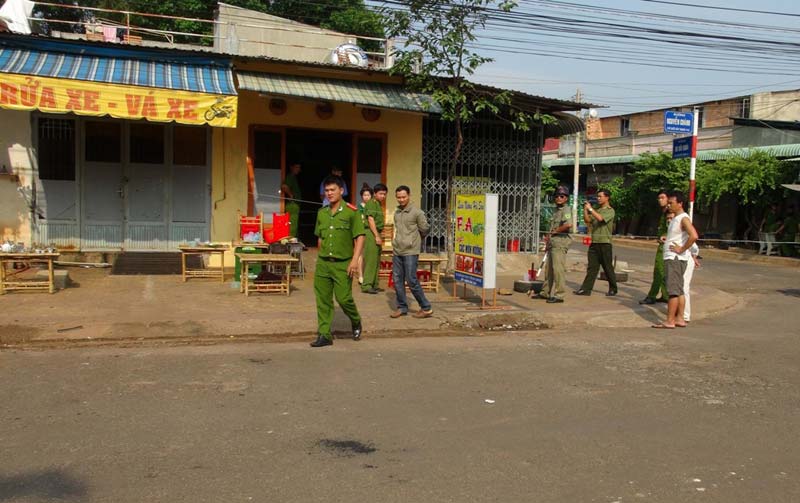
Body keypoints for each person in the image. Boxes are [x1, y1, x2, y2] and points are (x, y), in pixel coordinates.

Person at [310, 175, 365, 347]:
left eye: (333, 190)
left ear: (341, 191)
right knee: (323, 300)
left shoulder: (352, 212)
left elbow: (360, 237)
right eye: (326, 190)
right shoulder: (322, 213)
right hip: (324, 263)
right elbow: (319, 239)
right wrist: (319, 259)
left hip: (343, 263)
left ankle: (355, 320)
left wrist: (355, 260)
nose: (329, 193)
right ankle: (325, 334)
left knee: (343, 298)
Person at [652, 192, 698, 329]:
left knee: (673, 291)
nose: (669, 205)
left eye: (672, 203)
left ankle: (670, 320)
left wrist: (682, 249)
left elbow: (694, 236)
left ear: (680, 204)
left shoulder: (683, 218)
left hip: (675, 258)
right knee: (679, 290)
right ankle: (679, 318)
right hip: (675, 257)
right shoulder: (676, 218)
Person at [390, 185, 433, 318]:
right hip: (397, 250)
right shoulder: (397, 212)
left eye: (404, 197)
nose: (401, 199)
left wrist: (414, 240)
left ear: (409, 196)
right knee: (397, 280)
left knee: (411, 279)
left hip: (410, 251)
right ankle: (402, 307)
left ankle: (426, 307)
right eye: (399, 197)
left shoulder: (417, 212)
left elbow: (425, 229)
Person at [574, 189, 618, 297]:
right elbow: (588, 221)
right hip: (595, 242)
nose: (598, 198)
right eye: (597, 196)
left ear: (607, 197)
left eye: (600, 196)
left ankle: (613, 288)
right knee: (592, 267)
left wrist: (590, 208)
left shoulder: (610, 210)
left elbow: (601, 219)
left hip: (605, 243)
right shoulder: (598, 210)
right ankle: (586, 289)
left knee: (607, 267)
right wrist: (585, 210)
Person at [538, 185, 572, 303]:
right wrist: (548, 239)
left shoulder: (566, 210)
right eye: (557, 196)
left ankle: (559, 295)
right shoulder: (556, 210)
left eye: (561, 196)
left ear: (566, 198)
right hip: (553, 242)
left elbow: (568, 225)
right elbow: (552, 228)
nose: (558, 198)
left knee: (558, 269)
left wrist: (555, 231)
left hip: (560, 243)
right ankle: (545, 292)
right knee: (549, 270)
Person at [640, 190, 669, 304]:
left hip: (666, 246)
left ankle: (652, 296)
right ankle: (665, 295)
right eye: (659, 198)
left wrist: (665, 236)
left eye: (662, 197)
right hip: (663, 244)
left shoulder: (670, 213)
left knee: (658, 271)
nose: (660, 200)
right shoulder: (664, 212)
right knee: (663, 272)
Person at [362, 183, 387, 294]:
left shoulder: (378, 204)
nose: (383, 196)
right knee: (371, 260)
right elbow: (371, 220)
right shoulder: (371, 203)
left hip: (377, 232)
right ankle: (367, 285)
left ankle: (374, 284)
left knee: (376, 260)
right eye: (381, 193)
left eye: (385, 194)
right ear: (375, 193)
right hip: (371, 233)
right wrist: (376, 235)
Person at [357, 184, 373, 285]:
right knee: (360, 254)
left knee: (369, 254)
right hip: (361, 231)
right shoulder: (359, 207)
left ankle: (368, 275)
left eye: (368, 195)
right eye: (364, 195)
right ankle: (360, 275)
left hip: (370, 232)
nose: (366, 197)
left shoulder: (373, 206)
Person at [281, 163, 302, 238]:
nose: (298, 169)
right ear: (291, 167)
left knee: (294, 223)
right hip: (292, 204)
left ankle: (293, 239)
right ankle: (291, 240)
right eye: (296, 167)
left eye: (299, 167)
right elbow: (284, 186)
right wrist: (291, 195)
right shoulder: (290, 176)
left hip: (295, 204)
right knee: (292, 224)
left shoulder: (293, 177)